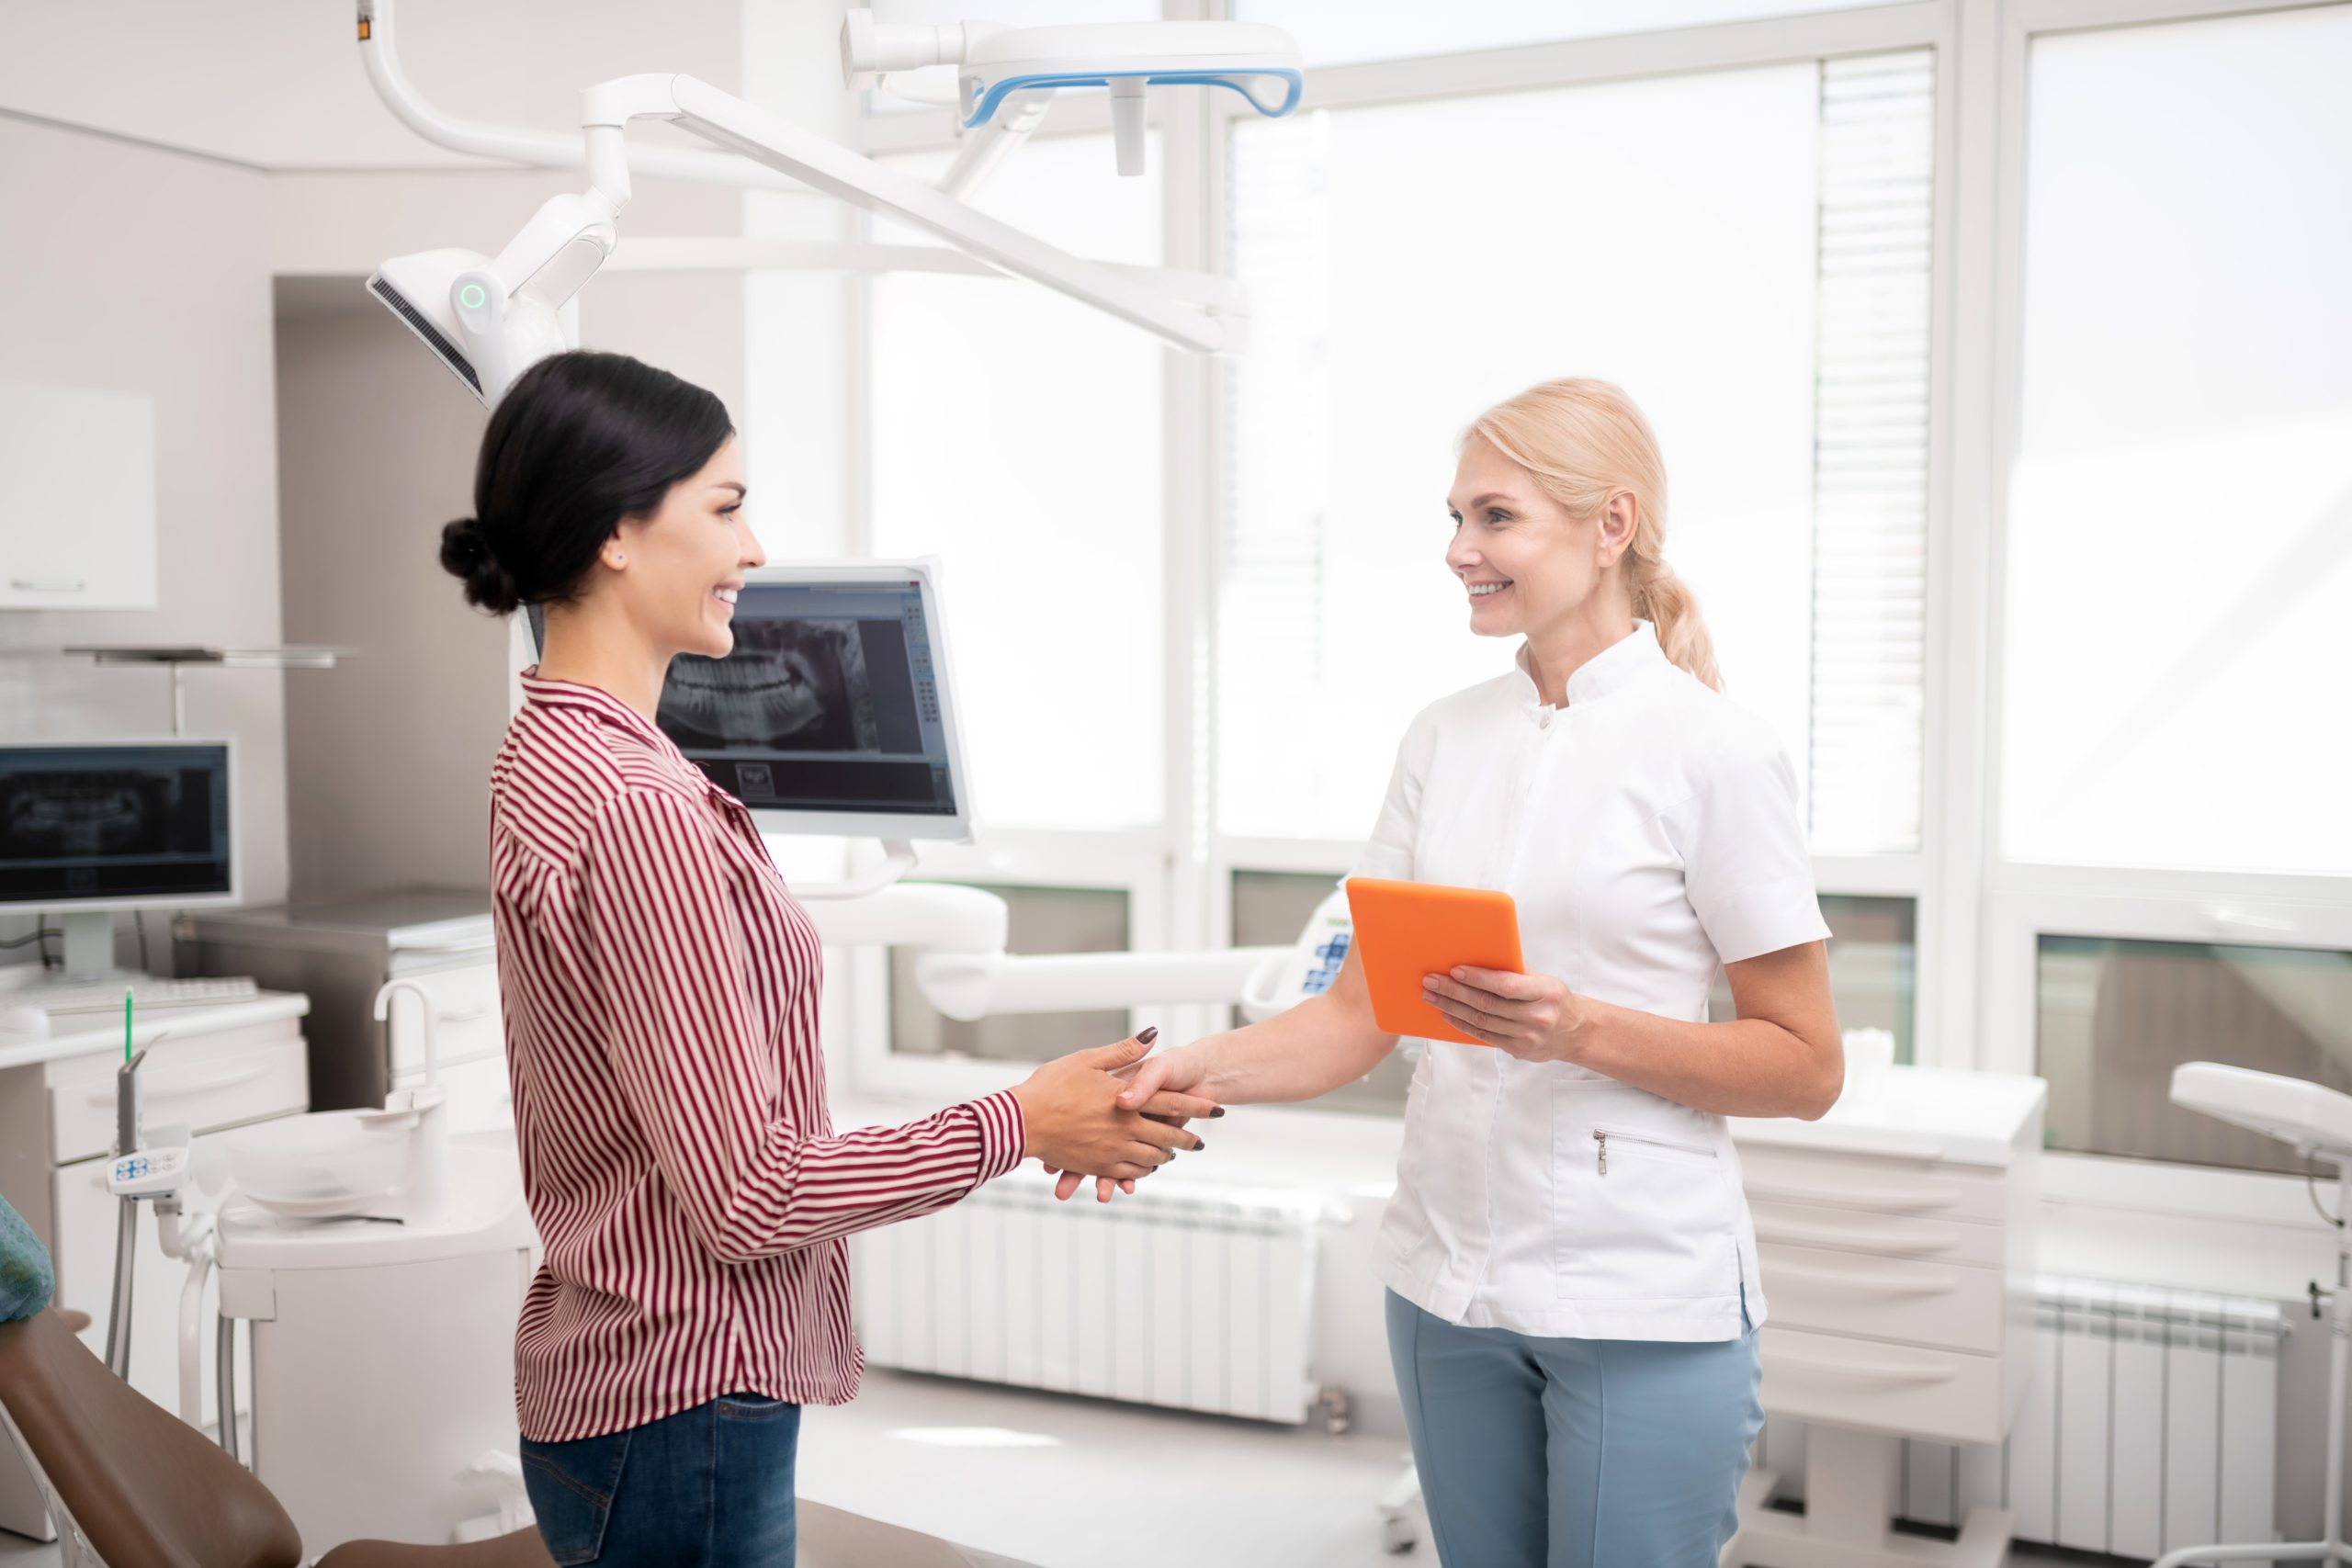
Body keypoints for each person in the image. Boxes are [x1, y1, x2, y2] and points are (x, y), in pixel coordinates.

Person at [439, 350, 1215, 1566]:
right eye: (726, 508)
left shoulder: (546, 749)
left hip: (616, 1379)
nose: (753, 551)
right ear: (616, 534)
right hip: (681, 1395)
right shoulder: (637, 806)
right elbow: (750, 1195)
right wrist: (1020, 1122)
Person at [1102, 378, 1843, 1567]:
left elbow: (1805, 1068)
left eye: (1496, 517)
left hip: (1638, 1292)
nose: (1459, 549)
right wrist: (1183, 1068)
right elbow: (1354, 1016)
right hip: (1443, 1284)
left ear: (1611, 525)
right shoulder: (1443, 737)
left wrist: (1581, 1031)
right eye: (1455, 518)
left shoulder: (1718, 754)